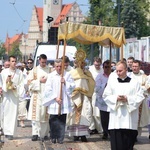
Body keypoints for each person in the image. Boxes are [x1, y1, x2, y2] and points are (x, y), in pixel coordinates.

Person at [103, 61, 144, 150]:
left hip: (129, 118)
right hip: (116, 119)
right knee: (116, 144)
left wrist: (128, 99)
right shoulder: (112, 82)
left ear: (126, 70)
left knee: (128, 144)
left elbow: (140, 96)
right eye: (117, 71)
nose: (118, 73)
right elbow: (105, 96)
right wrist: (116, 98)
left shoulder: (134, 83)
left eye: (120, 71)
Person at [43, 59, 75, 144]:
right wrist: (55, 98)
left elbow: (72, 86)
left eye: (60, 66)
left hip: (63, 101)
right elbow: (48, 89)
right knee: (53, 120)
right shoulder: (51, 75)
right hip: (54, 101)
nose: (59, 68)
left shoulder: (67, 75)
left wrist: (65, 82)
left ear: (63, 66)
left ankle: (60, 137)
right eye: (57, 66)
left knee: (62, 120)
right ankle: (53, 136)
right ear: (54, 66)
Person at [67, 49, 95, 142]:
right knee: (74, 115)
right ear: (75, 63)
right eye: (78, 63)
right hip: (75, 96)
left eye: (82, 63)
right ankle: (75, 134)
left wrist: (86, 77)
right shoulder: (71, 73)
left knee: (86, 114)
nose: (80, 65)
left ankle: (83, 134)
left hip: (85, 96)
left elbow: (92, 83)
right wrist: (74, 90)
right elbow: (69, 84)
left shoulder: (87, 72)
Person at [0, 56, 24, 140]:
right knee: (6, 113)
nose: (14, 63)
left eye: (15, 61)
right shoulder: (4, 72)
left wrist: (15, 87)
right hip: (7, 95)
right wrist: (6, 82)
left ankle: (11, 132)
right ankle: (6, 131)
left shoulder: (19, 72)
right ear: (9, 62)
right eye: (12, 61)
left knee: (13, 114)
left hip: (14, 95)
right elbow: (1, 82)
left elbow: (22, 84)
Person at [27, 54, 50, 141]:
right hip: (36, 95)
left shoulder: (50, 70)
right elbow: (29, 82)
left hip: (46, 96)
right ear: (39, 61)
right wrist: (39, 81)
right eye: (42, 62)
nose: (44, 64)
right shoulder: (34, 71)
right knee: (35, 116)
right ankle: (35, 133)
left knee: (45, 116)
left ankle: (44, 134)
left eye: (45, 62)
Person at [130, 60, 150, 139]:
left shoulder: (144, 77)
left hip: (141, 102)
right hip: (131, 101)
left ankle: (136, 136)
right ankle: (131, 135)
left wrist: (139, 89)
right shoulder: (128, 76)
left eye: (136, 66)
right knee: (131, 119)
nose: (134, 68)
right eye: (133, 66)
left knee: (139, 121)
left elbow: (147, 88)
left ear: (139, 67)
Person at [95, 60, 111, 139]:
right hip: (103, 100)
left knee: (111, 117)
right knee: (104, 118)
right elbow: (97, 88)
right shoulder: (99, 76)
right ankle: (105, 132)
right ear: (103, 67)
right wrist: (105, 85)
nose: (107, 69)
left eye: (109, 67)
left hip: (112, 100)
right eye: (105, 67)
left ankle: (111, 132)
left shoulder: (114, 76)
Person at [88, 57, 103, 134]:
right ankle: (92, 127)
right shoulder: (90, 70)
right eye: (96, 64)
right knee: (91, 110)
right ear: (94, 63)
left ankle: (99, 128)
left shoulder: (102, 70)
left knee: (98, 112)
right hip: (92, 92)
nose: (97, 66)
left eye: (98, 65)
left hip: (100, 93)